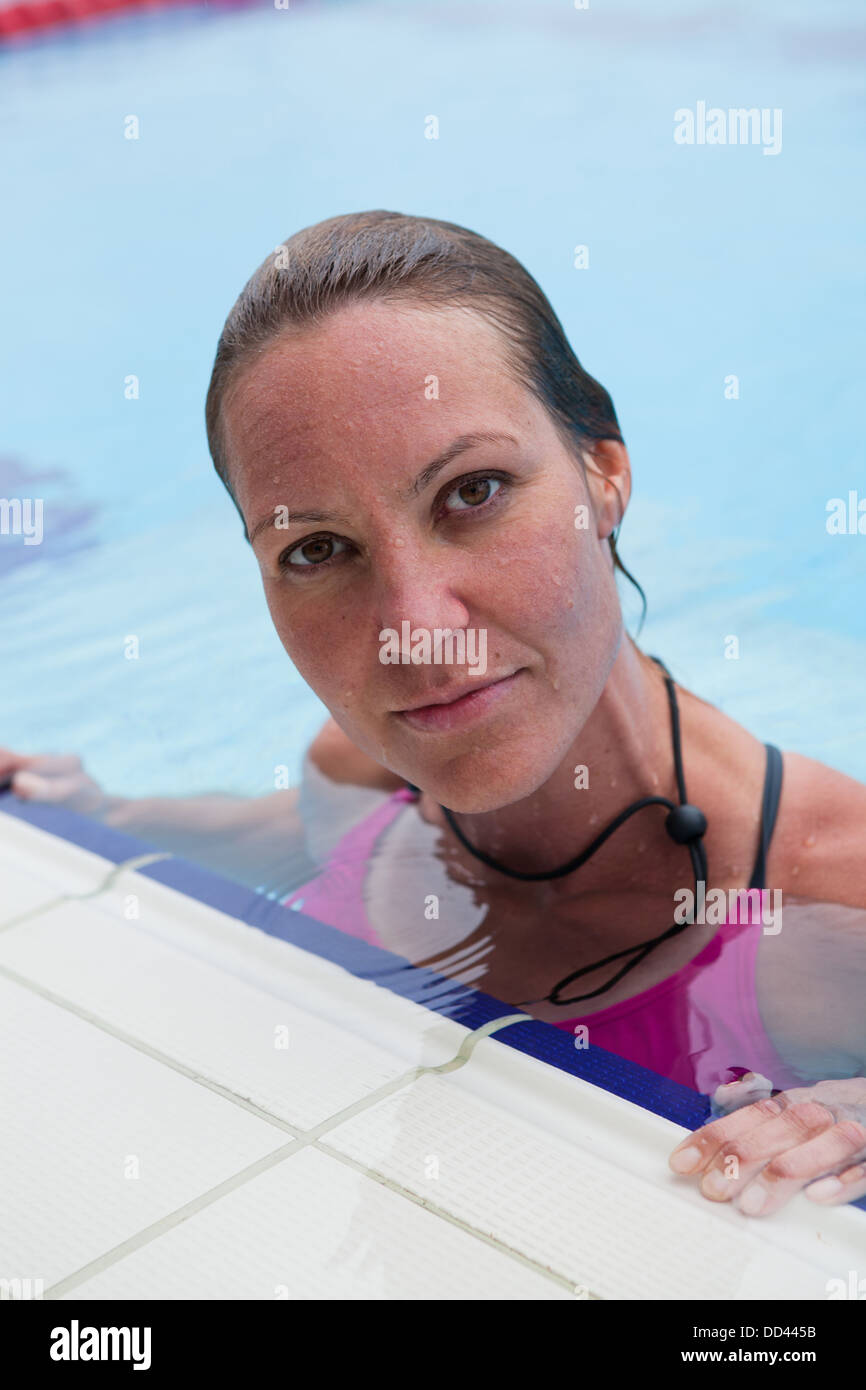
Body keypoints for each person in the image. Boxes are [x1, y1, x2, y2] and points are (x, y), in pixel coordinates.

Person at [5, 210, 866, 1219]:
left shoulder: (825, 904)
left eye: (474, 490)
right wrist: (107, 809)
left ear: (605, 475)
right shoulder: (365, 777)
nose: (414, 631)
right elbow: (291, 833)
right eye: (316, 550)